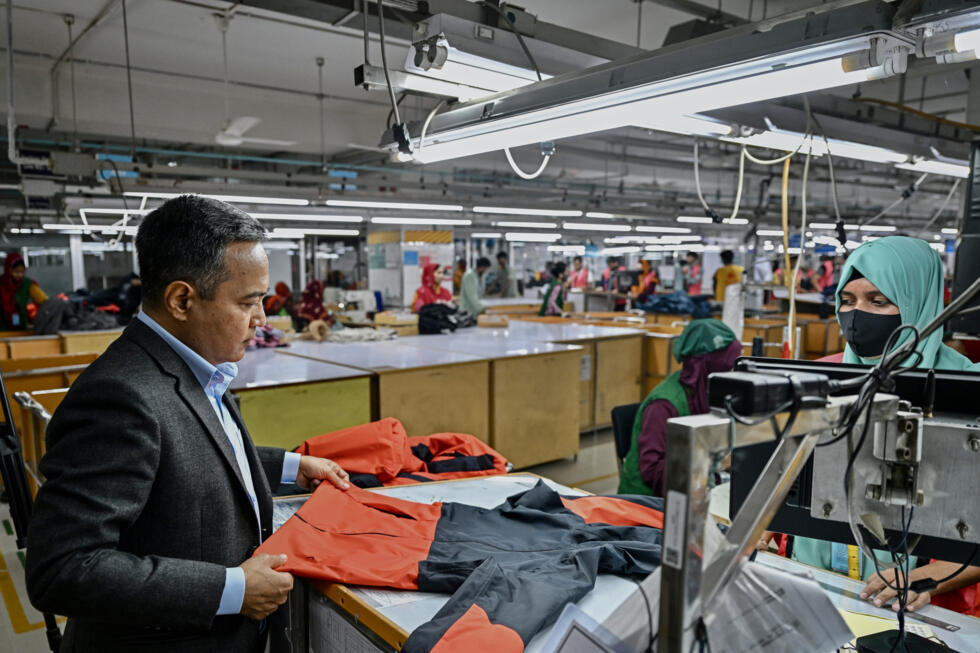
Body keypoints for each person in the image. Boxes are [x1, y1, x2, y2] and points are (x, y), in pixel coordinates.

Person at [25, 195, 351, 652]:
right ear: (182, 300)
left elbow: (187, 453)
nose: (262, 319)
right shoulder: (119, 396)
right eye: (249, 302)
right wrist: (231, 590)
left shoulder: (195, 363)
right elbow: (62, 569)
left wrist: (289, 466)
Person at [794, 236, 980, 615]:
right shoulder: (824, 375)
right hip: (813, 579)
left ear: (918, 301)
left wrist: (928, 577)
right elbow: (794, 481)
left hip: (914, 604)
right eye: (848, 300)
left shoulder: (969, 387)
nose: (856, 315)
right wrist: (767, 529)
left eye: (878, 302)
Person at [618, 320, 742, 497]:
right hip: (647, 500)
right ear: (707, 368)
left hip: (691, 489)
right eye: (726, 368)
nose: (731, 375)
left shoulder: (704, 394)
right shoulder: (663, 405)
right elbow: (652, 471)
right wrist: (714, 463)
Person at [0, 252, 47, 330]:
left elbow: (43, 300)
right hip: (2, 327)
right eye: (16, 272)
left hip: (21, 325)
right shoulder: (2, 284)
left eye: (22, 272)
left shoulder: (27, 284)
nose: (20, 275)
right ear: (8, 270)